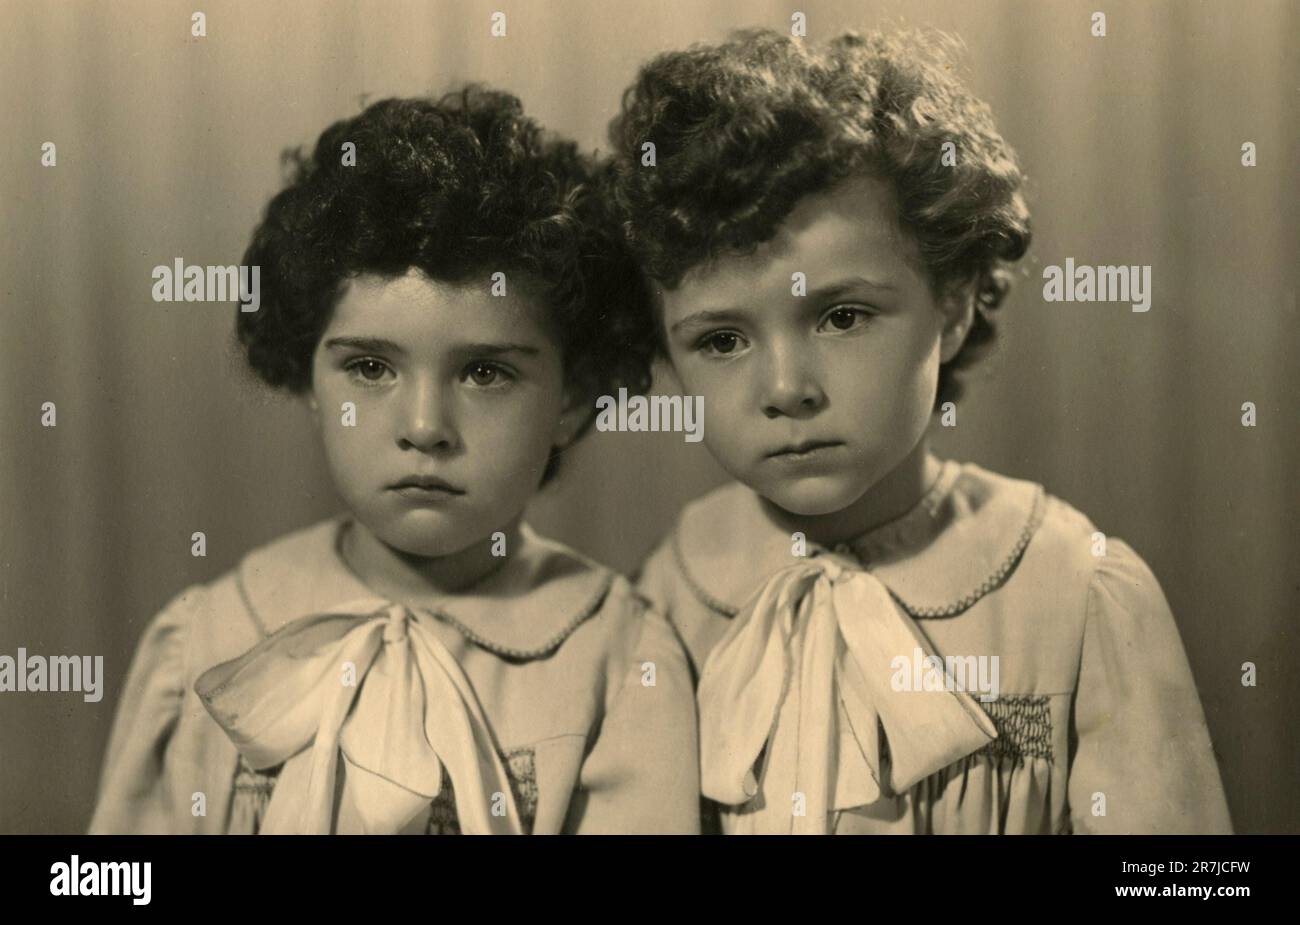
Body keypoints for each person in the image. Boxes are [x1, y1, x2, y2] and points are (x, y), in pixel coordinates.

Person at [607, 29, 1232, 834]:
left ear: (954, 303)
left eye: (842, 316)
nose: (786, 389)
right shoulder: (667, 592)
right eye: (721, 340)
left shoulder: (1075, 591)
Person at [89, 88, 697, 835]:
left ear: (571, 399)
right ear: (308, 378)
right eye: (371, 368)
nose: (423, 427)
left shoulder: (616, 659)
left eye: (485, 373)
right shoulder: (210, 638)